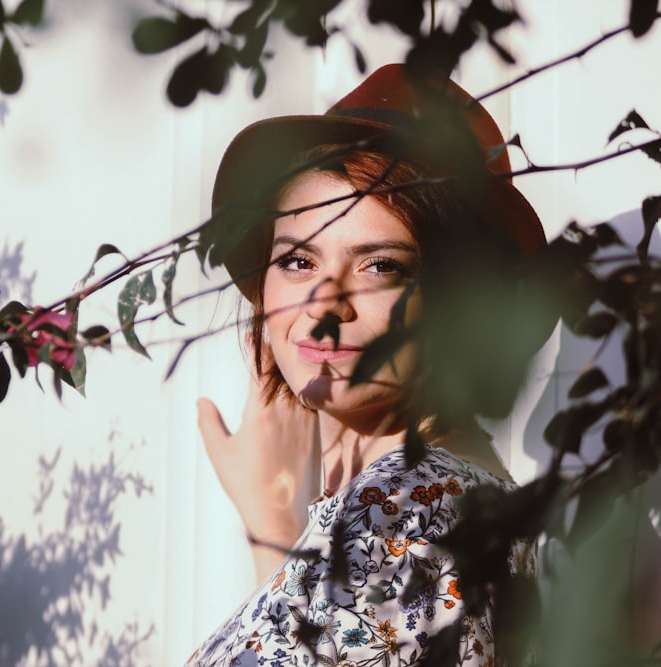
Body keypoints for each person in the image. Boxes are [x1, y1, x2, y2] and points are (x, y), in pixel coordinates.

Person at [187, 64, 547, 666]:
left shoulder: (406, 513)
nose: (325, 306)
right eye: (297, 261)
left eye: (382, 265)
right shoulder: (436, 500)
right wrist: (277, 529)